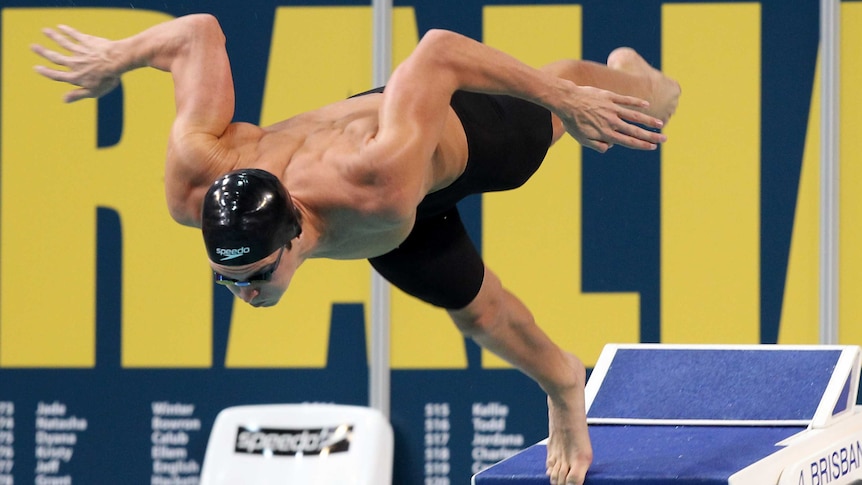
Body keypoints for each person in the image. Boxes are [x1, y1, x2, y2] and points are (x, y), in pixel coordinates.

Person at [32, 13, 680, 485]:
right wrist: (115, 58)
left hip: (448, 146)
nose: (245, 294)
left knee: (589, 109)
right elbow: (194, 35)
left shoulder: (377, 173)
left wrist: (566, 101)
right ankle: (565, 382)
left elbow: (437, 54)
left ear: (294, 235)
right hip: (384, 222)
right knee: (479, 313)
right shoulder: (195, 181)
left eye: (254, 276)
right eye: (225, 280)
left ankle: (627, 76)